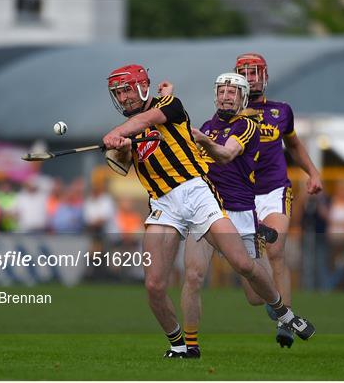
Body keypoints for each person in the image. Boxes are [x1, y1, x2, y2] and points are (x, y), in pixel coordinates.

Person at [103, 64, 315, 358]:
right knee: (154, 285)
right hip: (163, 204)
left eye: (127, 90)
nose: (124, 98)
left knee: (242, 264)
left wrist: (116, 132)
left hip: (197, 193)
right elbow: (121, 164)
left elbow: (150, 119)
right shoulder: (132, 129)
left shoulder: (170, 105)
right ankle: (179, 345)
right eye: (118, 93)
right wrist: (121, 146)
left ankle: (284, 312)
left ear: (141, 86)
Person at [180, 72, 299, 357]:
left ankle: (279, 306)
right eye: (221, 91)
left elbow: (226, 153)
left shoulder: (247, 125)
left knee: (255, 297)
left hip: (240, 210)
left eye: (232, 92)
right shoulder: (208, 126)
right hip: (207, 208)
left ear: (243, 97)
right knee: (194, 276)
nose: (226, 96)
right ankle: (188, 346)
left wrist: (199, 139)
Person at [235, 53, 323, 347]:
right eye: (245, 73)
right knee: (252, 297)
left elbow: (294, 145)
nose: (251, 78)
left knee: (275, 250)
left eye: (255, 72)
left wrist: (312, 173)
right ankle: (274, 301)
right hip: (243, 196)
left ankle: (285, 322)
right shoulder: (229, 116)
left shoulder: (281, 111)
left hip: (274, 190)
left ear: (265, 76)